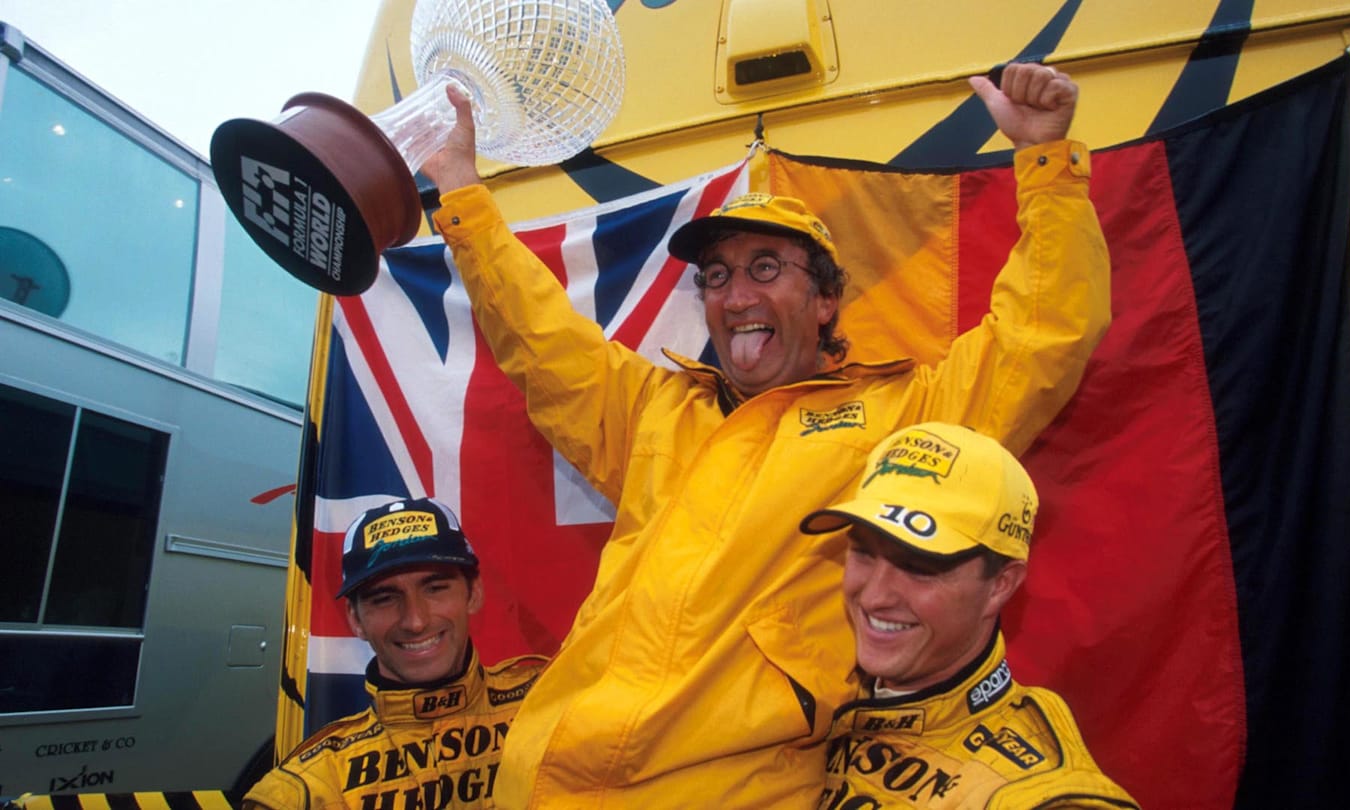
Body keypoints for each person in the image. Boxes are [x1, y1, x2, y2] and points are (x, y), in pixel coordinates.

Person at [421, 61, 1109, 807]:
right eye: (715, 277)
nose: (736, 295)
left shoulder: (905, 421)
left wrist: (1046, 163)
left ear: (823, 300)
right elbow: (539, 335)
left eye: (766, 267)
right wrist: (464, 193)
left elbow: (1042, 338)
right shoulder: (656, 410)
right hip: (537, 782)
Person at [801, 422, 1138, 809]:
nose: (875, 596)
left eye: (918, 567)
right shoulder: (815, 671)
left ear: (1000, 585)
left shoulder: (1032, 795)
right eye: (863, 553)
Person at [243, 497, 545, 810]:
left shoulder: (550, 700)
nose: (415, 621)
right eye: (385, 598)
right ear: (355, 620)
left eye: (435, 588)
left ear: (474, 593)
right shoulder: (311, 783)